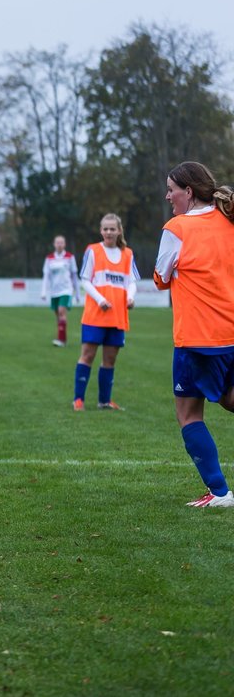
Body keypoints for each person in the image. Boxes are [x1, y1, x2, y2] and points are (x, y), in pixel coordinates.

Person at [153, 161, 234, 507]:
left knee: (189, 416)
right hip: (231, 334)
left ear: (188, 191)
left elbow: (160, 278)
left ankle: (220, 493)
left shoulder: (177, 228)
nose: (168, 196)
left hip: (198, 339)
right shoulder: (229, 222)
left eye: (172, 189)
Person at [72, 213, 138, 411]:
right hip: (95, 315)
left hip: (117, 316)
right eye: (105, 229)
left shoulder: (128, 254)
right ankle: (78, 399)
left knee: (110, 359)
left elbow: (132, 281)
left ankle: (104, 401)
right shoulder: (93, 251)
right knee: (88, 355)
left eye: (112, 229)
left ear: (119, 231)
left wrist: (131, 297)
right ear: (101, 231)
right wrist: (100, 299)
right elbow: (85, 279)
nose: (109, 232)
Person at [39, 235, 79, 347]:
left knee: (62, 311)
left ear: (65, 244)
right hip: (54, 291)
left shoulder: (70, 257)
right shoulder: (49, 258)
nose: (59, 244)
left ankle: (61, 340)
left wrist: (77, 293)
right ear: (54, 244)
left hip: (66, 290)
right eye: (57, 242)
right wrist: (43, 292)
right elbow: (46, 276)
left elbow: (74, 275)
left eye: (62, 242)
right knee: (58, 315)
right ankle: (62, 339)